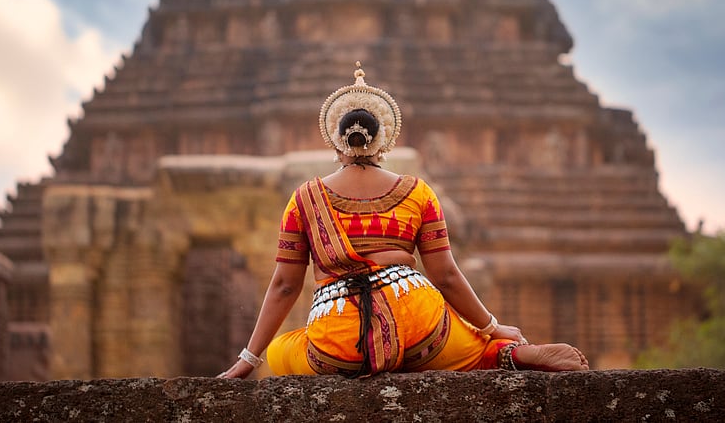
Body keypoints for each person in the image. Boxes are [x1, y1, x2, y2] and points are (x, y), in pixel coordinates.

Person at [218, 62, 589, 378]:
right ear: (384, 141)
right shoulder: (417, 192)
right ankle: (510, 355)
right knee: (471, 349)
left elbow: (285, 286)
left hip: (340, 337)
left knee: (284, 352)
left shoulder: (305, 198)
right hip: (420, 323)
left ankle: (356, 354)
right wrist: (493, 328)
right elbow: (445, 275)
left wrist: (249, 358)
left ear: (336, 142)